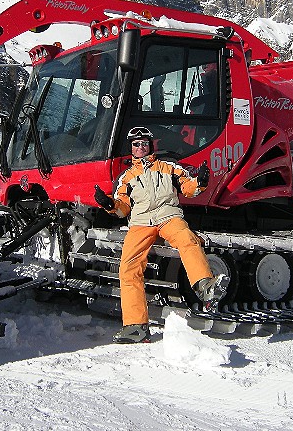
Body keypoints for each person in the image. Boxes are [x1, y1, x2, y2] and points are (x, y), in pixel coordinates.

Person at [94, 126, 229, 343]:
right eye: (136, 144)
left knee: (188, 239)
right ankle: (135, 326)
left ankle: (205, 286)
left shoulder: (168, 167)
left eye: (144, 143)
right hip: (140, 223)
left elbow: (188, 188)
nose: (140, 147)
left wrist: (201, 182)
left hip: (168, 217)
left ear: (151, 145)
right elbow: (122, 209)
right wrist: (108, 204)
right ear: (131, 148)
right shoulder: (126, 177)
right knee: (128, 268)